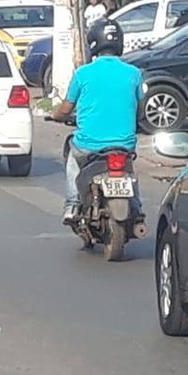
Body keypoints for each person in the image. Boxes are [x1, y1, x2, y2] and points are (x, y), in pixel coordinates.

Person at [51, 19, 144, 225]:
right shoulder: (134, 73)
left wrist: (56, 116)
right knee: (129, 170)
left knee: (72, 159)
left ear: (94, 43)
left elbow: (66, 108)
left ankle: (73, 202)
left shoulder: (83, 73)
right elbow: (140, 109)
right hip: (123, 146)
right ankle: (136, 206)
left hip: (89, 145)